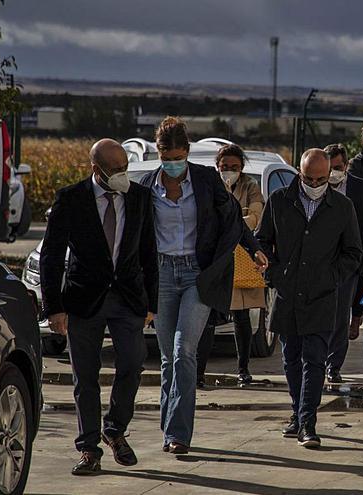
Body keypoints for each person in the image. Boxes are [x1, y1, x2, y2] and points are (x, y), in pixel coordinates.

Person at [41, 139, 158, 475]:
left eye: (125, 168)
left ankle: (115, 428)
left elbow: (149, 252)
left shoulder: (139, 198)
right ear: (96, 169)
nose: (123, 175)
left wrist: (151, 302)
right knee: (85, 376)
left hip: (128, 299)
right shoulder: (71, 199)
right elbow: (51, 256)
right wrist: (54, 307)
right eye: (116, 170)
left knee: (133, 364)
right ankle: (89, 448)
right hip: (83, 300)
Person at [138, 117, 245, 455]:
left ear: (187, 151)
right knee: (168, 356)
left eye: (177, 157)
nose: (171, 164)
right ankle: (170, 423)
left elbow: (232, 217)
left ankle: (178, 434)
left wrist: (254, 249)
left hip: (197, 275)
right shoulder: (146, 185)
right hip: (162, 274)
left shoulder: (204, 179)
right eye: (165, 157)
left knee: (185, 349)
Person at [257, 148, 362, 448]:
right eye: (308, 178)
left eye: (320, 179)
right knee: (291, 358)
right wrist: (274, 273)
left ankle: (308, 421)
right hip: (288, 293)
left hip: (323, 295)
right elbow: (263, 240)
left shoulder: (342, 207)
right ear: (298, 173)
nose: (314, 185)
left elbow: (353, 252)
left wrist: (331, 278)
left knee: (314, 360)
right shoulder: (279, 201)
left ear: (329, 176)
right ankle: (296, 411)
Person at [196, 144, 270, 388]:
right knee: (207, 317)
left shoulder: (249, 187)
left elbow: (254, 218)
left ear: (242, 168)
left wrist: (233, 225)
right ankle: (198, 372)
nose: (228, 171)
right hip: (214, 259)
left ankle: (243, 369)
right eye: (224, 166)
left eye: (234, 167)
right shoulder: (208, 186)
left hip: (240, 257)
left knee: (242, 317)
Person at [323, 143, 363, 383]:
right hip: (319, 262)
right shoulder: (313, 185)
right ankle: (317, 359)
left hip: (349, 262)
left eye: (338, 167)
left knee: (340, 315)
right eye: (330, 167)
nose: (334, 172)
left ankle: (333, 364)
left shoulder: (361, 188)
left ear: (346, 166)